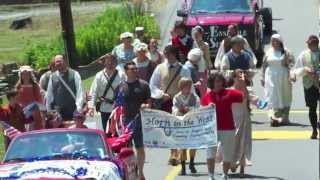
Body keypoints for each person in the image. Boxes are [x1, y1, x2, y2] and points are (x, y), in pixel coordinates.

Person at [149, 45, 191, 166]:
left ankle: (178, 153)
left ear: (174, 54)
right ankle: (173, 153)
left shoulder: (184, 69)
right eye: (166, 53)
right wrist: (161, 94)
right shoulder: (160, 68)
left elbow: (189, 86)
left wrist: (186, 100)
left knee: (179, 128)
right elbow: (153, 85)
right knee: (169, 129)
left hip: (179, 103)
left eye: (170, 53)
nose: (167, 55)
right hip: (165, 102)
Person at [201, 72, 243, 180]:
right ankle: (211, 175)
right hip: (212, 130)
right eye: (216, 82)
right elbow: (200, 112)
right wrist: (207, 107)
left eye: (220, 81)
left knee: (227, 154)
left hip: (228, 128)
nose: (218, 84)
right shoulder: (206, 97)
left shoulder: (230, 93)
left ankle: (225, 174)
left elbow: (242, 96)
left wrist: (240, 82)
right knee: (210, 153)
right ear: (211, 83)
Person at [115, 61, 152, 180]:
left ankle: (140, 172)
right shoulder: (120, 87)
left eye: (136, 68)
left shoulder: (144, 85)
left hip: (140, 121)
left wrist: (146, 106)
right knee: (127, 150)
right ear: (126, 71)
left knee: (140, 147)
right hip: (125, 123)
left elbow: (149, 103)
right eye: (132, 69)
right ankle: (130, 173)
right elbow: (117, 105)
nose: (135, 70)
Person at [261, 34, 295, 127]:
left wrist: (292, 74)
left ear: (280, 42)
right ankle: (274, 117)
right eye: (272, 41)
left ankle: (285, 117)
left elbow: (291, 64)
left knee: (285, 95)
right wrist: (262, 77)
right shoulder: (268, 52)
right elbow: (264, 65)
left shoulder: (286, 52)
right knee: (272, 95)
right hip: (271, 76)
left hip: (283, 76)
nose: (274, 43)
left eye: (276, 41)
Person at [88, 54, 125, 132]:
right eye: (108, 62)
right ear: (104, 63)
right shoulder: (99, 75)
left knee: (118, 131)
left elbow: (125, 91)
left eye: (112, 62)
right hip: (104, 108)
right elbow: (94, 91)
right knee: (106, 131)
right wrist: (91, 107)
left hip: (118, 108)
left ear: (115, 63)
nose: (110, 64)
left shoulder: (121, 74)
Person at [293, 35, 320, 139]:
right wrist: (305, 71)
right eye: (309, 43)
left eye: (313, 43)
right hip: (309, 85)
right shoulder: (303, 55)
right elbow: (297, 70)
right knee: (312, 108)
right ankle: (314, 130)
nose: (310, 45)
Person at [172, 78, 200, 175]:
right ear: (181, 87)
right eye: (186, 86)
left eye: (189, 85)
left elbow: (198, 108)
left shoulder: (194, 97)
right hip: (181, 124)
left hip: (192, 124)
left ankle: (192, 162)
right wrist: (180, 110)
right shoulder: (176, 97)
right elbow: (174, 109)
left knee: (193, 144)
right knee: (182, 145)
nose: (188, 88)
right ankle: (183, 167)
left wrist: (190, 109)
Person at [229, 70, 253, 177]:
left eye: (242, 76)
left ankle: (242, 167)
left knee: (244, 142)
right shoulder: (229, 90)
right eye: (238, 76)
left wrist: (243, 83)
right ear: (233, 78)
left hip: (244, 118)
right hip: (233, 119)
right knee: (233, 142)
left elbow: (244, 97)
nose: (240, 78)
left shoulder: (246, 90)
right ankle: (233, 162)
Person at [46, 54, 84, 122]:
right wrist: (49, 110)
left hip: (73, 111)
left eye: (60, 61)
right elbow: (49, 95)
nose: (58, 63)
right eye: (56, 62)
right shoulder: (52, 77)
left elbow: (80, 92)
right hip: (58, 114)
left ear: (65, 62)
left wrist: (78, 109)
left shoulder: (75, 74)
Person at [16, 65, 44, 130]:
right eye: (23, 74)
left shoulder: (35, 86)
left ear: (30, 75)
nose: (25, 76)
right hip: (23, 112)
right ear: (21, 75)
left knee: (35, 129)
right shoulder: (18, 87)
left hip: (34, 112)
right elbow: (17, 100)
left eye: (27, 74)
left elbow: (39, 99)